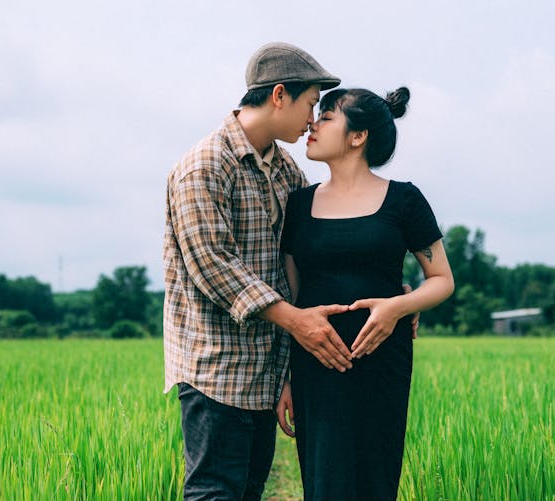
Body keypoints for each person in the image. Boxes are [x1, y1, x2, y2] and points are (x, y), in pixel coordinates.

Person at [163, 42, 355, 501]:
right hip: (216, 371)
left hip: (267, 374)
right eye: (311, 105)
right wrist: (296, 320)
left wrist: (391, 291)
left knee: (249, 491)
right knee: (214, 492)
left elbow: (311, 255)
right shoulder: (204, 165)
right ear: (280, 95)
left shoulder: (286, 172)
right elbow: (213, 264)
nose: (313, 120)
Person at [276, 86, 455, 500]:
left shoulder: (404, 200)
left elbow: (442, 279)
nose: (312, 125)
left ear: (358, 137)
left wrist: (396, 307)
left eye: (326, 118)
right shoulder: (298, 206)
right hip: (315, 362)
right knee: (324, 481)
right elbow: (294, 296)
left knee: (376, 477)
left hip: (382, 360)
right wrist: (285, 375)